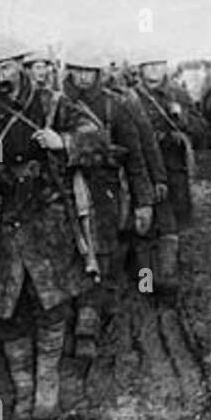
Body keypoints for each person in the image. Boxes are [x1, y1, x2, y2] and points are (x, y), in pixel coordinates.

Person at [0, 33, 106, 420]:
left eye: (5, 66)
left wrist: (63, 142)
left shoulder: (54, 105)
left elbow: (99, 142)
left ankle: (47, 387)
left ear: (19, 64)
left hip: (48, 223)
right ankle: (22, 391)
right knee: (5, 312)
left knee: (53, 306)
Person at [60, 40, 156, 360]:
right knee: (71, 252)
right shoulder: (56, 105)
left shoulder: (115, 106)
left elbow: (136, 158)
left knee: (104, 253)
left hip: (106, 190)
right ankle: (74, 316)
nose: (84, 77)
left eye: (89, 71)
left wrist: (144, 201)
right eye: (78, 70)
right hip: (64, 189)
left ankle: (89, 321)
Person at [132, 55, 195, 303]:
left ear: (166, 67)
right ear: (140, 67)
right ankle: (146, 284)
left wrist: (181, 120)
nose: (153, 70)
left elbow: (201, 131)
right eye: (148, 63)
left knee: (170, 227)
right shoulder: (130, 97)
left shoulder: (178, 94)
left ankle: (167, 281)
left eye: (158, 64)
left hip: (172, 170)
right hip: (141, 169)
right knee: (143, 228)